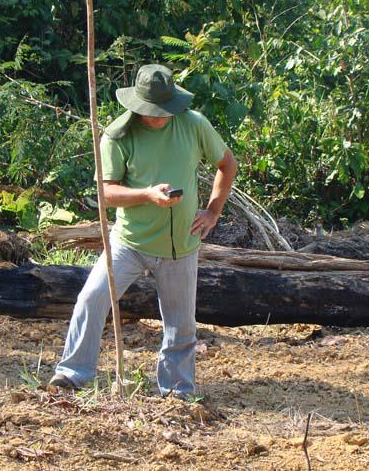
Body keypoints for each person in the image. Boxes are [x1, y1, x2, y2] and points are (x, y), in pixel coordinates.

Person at [49, 64, 238, 398]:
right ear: (137, 104)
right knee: (91, 299)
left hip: (181, 244)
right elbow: (106, 194)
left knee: (181, 325)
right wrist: (147, 195)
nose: (160, 117)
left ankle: (177, 391)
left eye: (165, 110)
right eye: (153, 111)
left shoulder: (194, 124)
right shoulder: (118, 135)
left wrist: (212, 211)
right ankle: (72, 374)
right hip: (130, 242)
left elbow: (227, 164)